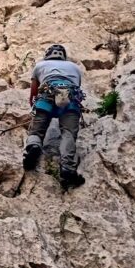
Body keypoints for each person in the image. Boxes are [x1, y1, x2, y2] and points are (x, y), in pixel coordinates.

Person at [23, 44, 86, 189]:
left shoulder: (40, 65)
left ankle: (33, 146)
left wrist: (34, 103)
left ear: (48, 54)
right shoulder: (75, 67)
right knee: (68, 133)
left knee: (37, 130)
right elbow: (78, 86)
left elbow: (34, 91)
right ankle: (67, 169)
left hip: (46, 97)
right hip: (70, 100)